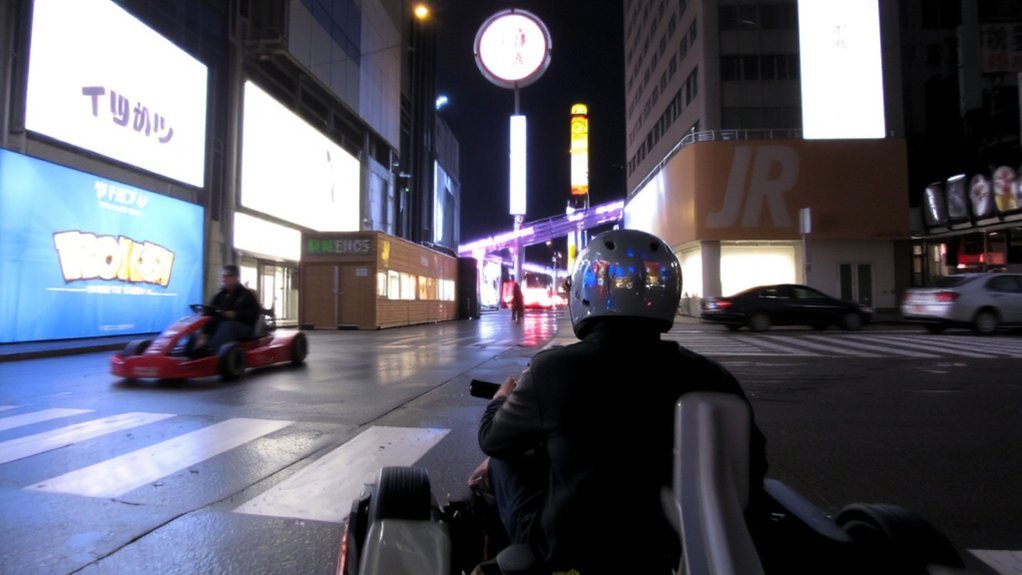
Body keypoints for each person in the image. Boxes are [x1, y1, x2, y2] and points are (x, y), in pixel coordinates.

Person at [468, 228, 768, 574]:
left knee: (501, 460)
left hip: (570, 553)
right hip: (679, 550)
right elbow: (752, 466)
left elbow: (492, 439)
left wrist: (501, 398)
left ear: (584, 292)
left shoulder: (552, 370)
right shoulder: (713, 376)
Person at [193, 264, 262, 355]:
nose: (224, 279)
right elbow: (213, 311)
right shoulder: (220, 295)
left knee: (227, 326)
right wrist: (204, 329)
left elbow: (255, 313)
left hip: (244, 326)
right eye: (223, 277)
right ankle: (192, 351)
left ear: (236, 278)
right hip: (222, 323)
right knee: (198, 329)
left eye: (227, 276)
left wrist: (236, 314)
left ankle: (211, 353)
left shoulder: (246, 295)